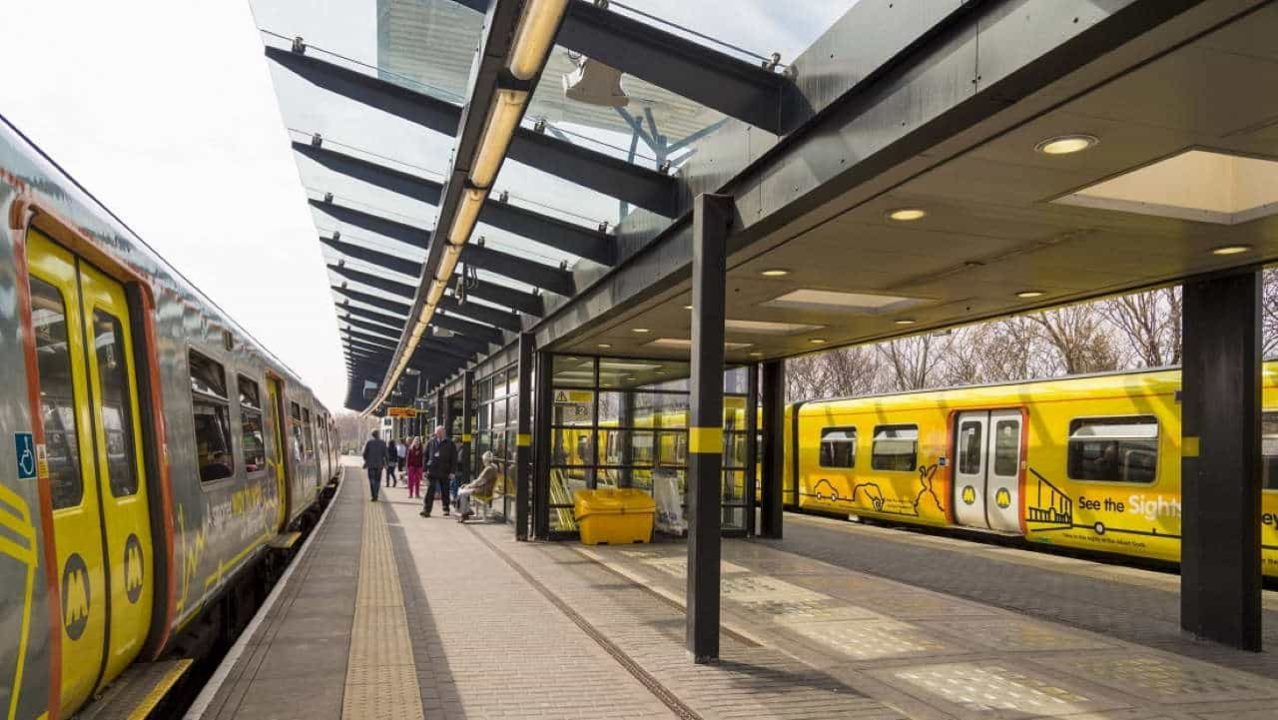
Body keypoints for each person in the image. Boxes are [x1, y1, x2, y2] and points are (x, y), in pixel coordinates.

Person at [421, 425, 458, 517]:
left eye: (441, 432)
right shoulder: (431, 442)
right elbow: (425, 456)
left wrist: (453, 472)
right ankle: (426, 510)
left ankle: (446, 508)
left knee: (445, 491)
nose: (439, 434)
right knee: (430, 490)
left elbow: (454, 458)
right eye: (438, 432)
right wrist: (424, 469)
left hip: (445, 470)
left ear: (444, 432)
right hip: (432, 470)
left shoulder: (450, 443)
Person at [457, 451, 499, 521]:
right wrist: (469, 485)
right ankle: (466, 511)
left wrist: (469, 486)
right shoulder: (493, 467)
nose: (483, 462)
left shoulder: (488, 469)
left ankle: (465, 513)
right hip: (485, 489)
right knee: (461, 491)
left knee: (462, 492)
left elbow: (479, 481)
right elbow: (480, 481)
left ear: (486, 460)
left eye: (483, 460)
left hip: (484, 490)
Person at [361, 430, 388, 501]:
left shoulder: (369, 443)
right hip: (379, 465)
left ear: (372, 435)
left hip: (371, 465)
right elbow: (386, 455)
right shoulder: (383, 443)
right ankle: (376, 495)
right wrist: (386, 464)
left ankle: (373, 495)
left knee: (372, 480)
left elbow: (364, 454)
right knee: (378, 481)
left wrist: (366, 460)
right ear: (378, 435)